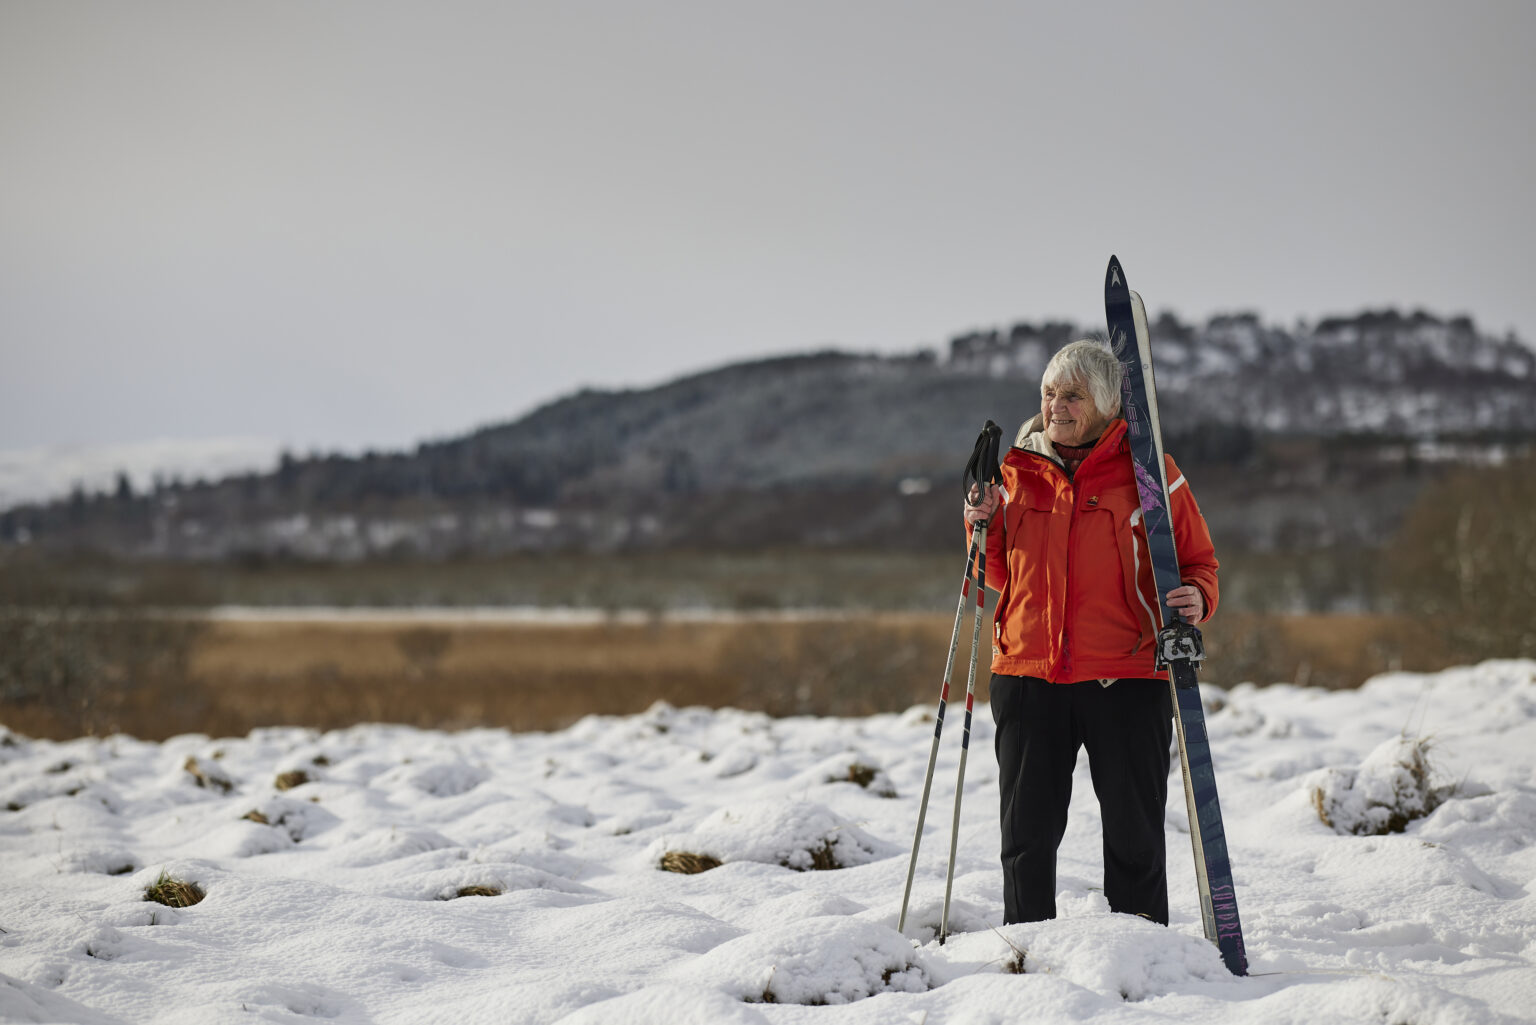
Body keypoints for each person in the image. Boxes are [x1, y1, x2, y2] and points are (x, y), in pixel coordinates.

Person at [963, 338, 1219, 926]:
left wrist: (1196, 598)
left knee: (1134, 841)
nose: (1056, 405)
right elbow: (996, 574)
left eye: (1072, 395)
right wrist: (981, 526)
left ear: (1106, 405)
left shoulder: (1152, 472)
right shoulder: (1015, 471)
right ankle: (1026, 953)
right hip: (1029, 674)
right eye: (1049, 392)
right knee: (1025, 839)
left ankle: (1144, 964)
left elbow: (1200, 562)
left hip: (1126, 676)